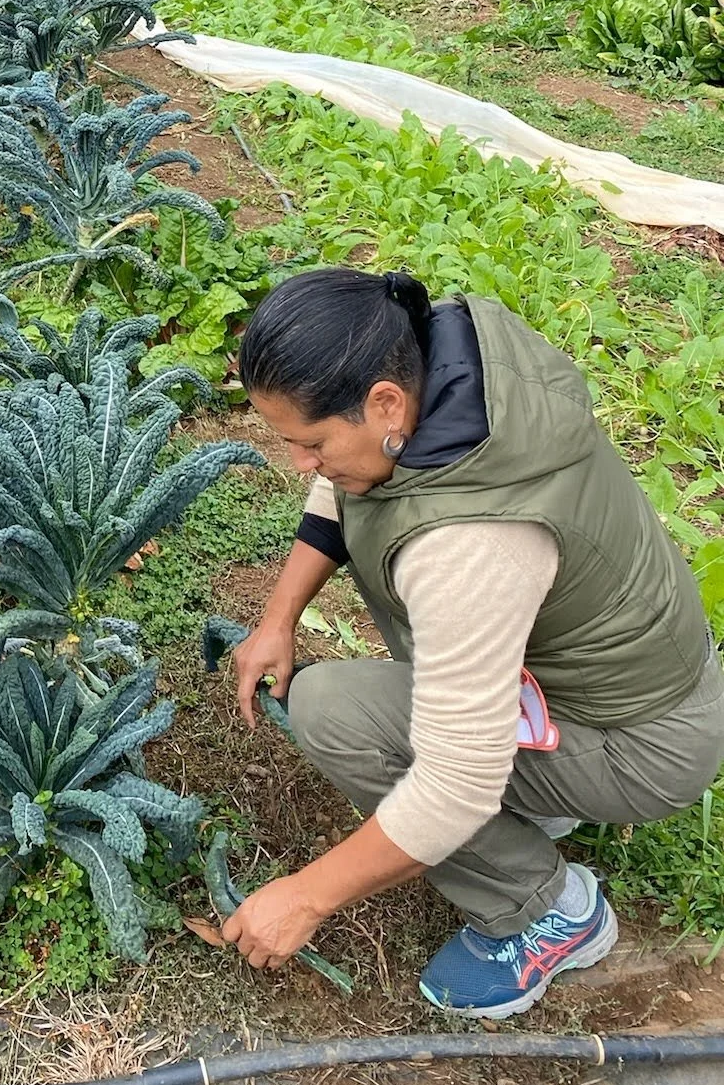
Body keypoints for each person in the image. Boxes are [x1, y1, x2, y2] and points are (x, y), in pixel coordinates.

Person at [218, 267, 724, 1019]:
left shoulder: (471, 545)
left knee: (333, 712)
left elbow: (454, 786)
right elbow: (348, 479)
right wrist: (279, 617)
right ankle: (542, 794)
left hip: (639, 744)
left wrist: (304, 896)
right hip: (610, 681)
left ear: (385, 403)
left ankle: (549, 912)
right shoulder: (444, 360)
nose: (300, 462)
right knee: (360, 502)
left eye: (311, 441)